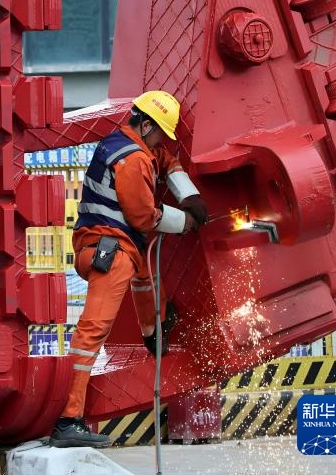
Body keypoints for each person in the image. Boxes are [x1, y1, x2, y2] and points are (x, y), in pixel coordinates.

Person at [49, 91, 208, 449]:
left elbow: (165, 160)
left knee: (143, 275)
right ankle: (68, 420)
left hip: (109, 247)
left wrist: (190, 194)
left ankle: (154, 329)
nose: (160, 143)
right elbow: (144, 217)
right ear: (146, 124)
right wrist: (187, 221)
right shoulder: (134, 159)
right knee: (92, 334)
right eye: (158, 135)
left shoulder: (123, 143)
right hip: (111, 250)